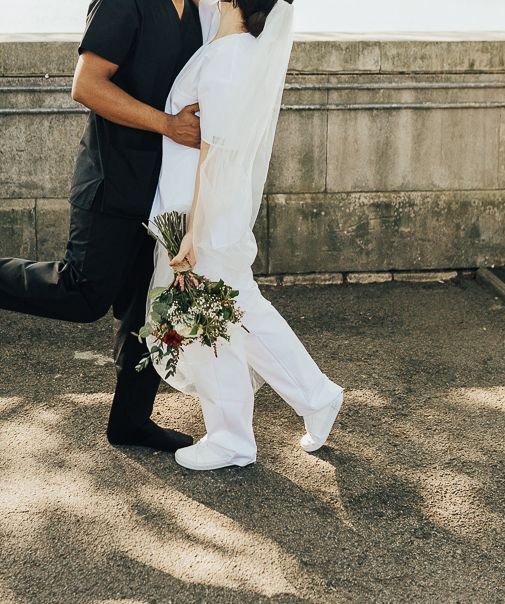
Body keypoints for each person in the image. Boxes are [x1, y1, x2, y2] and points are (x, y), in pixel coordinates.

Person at [0, 0, 206, 453]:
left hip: (165, 190)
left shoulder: (201, 9)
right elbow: (86, 85)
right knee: (81, 294)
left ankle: (130, 422)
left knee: (148, 307)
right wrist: (166, 125)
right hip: (111, 180)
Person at [145, 0, 345, 470]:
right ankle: (310, 397)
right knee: (236, 313)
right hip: (210, 210)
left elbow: (212, 155)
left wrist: (192, 230)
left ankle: (235, 436)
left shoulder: (227, 56)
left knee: (216, 321)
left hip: (206, 214)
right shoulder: (227, 44)